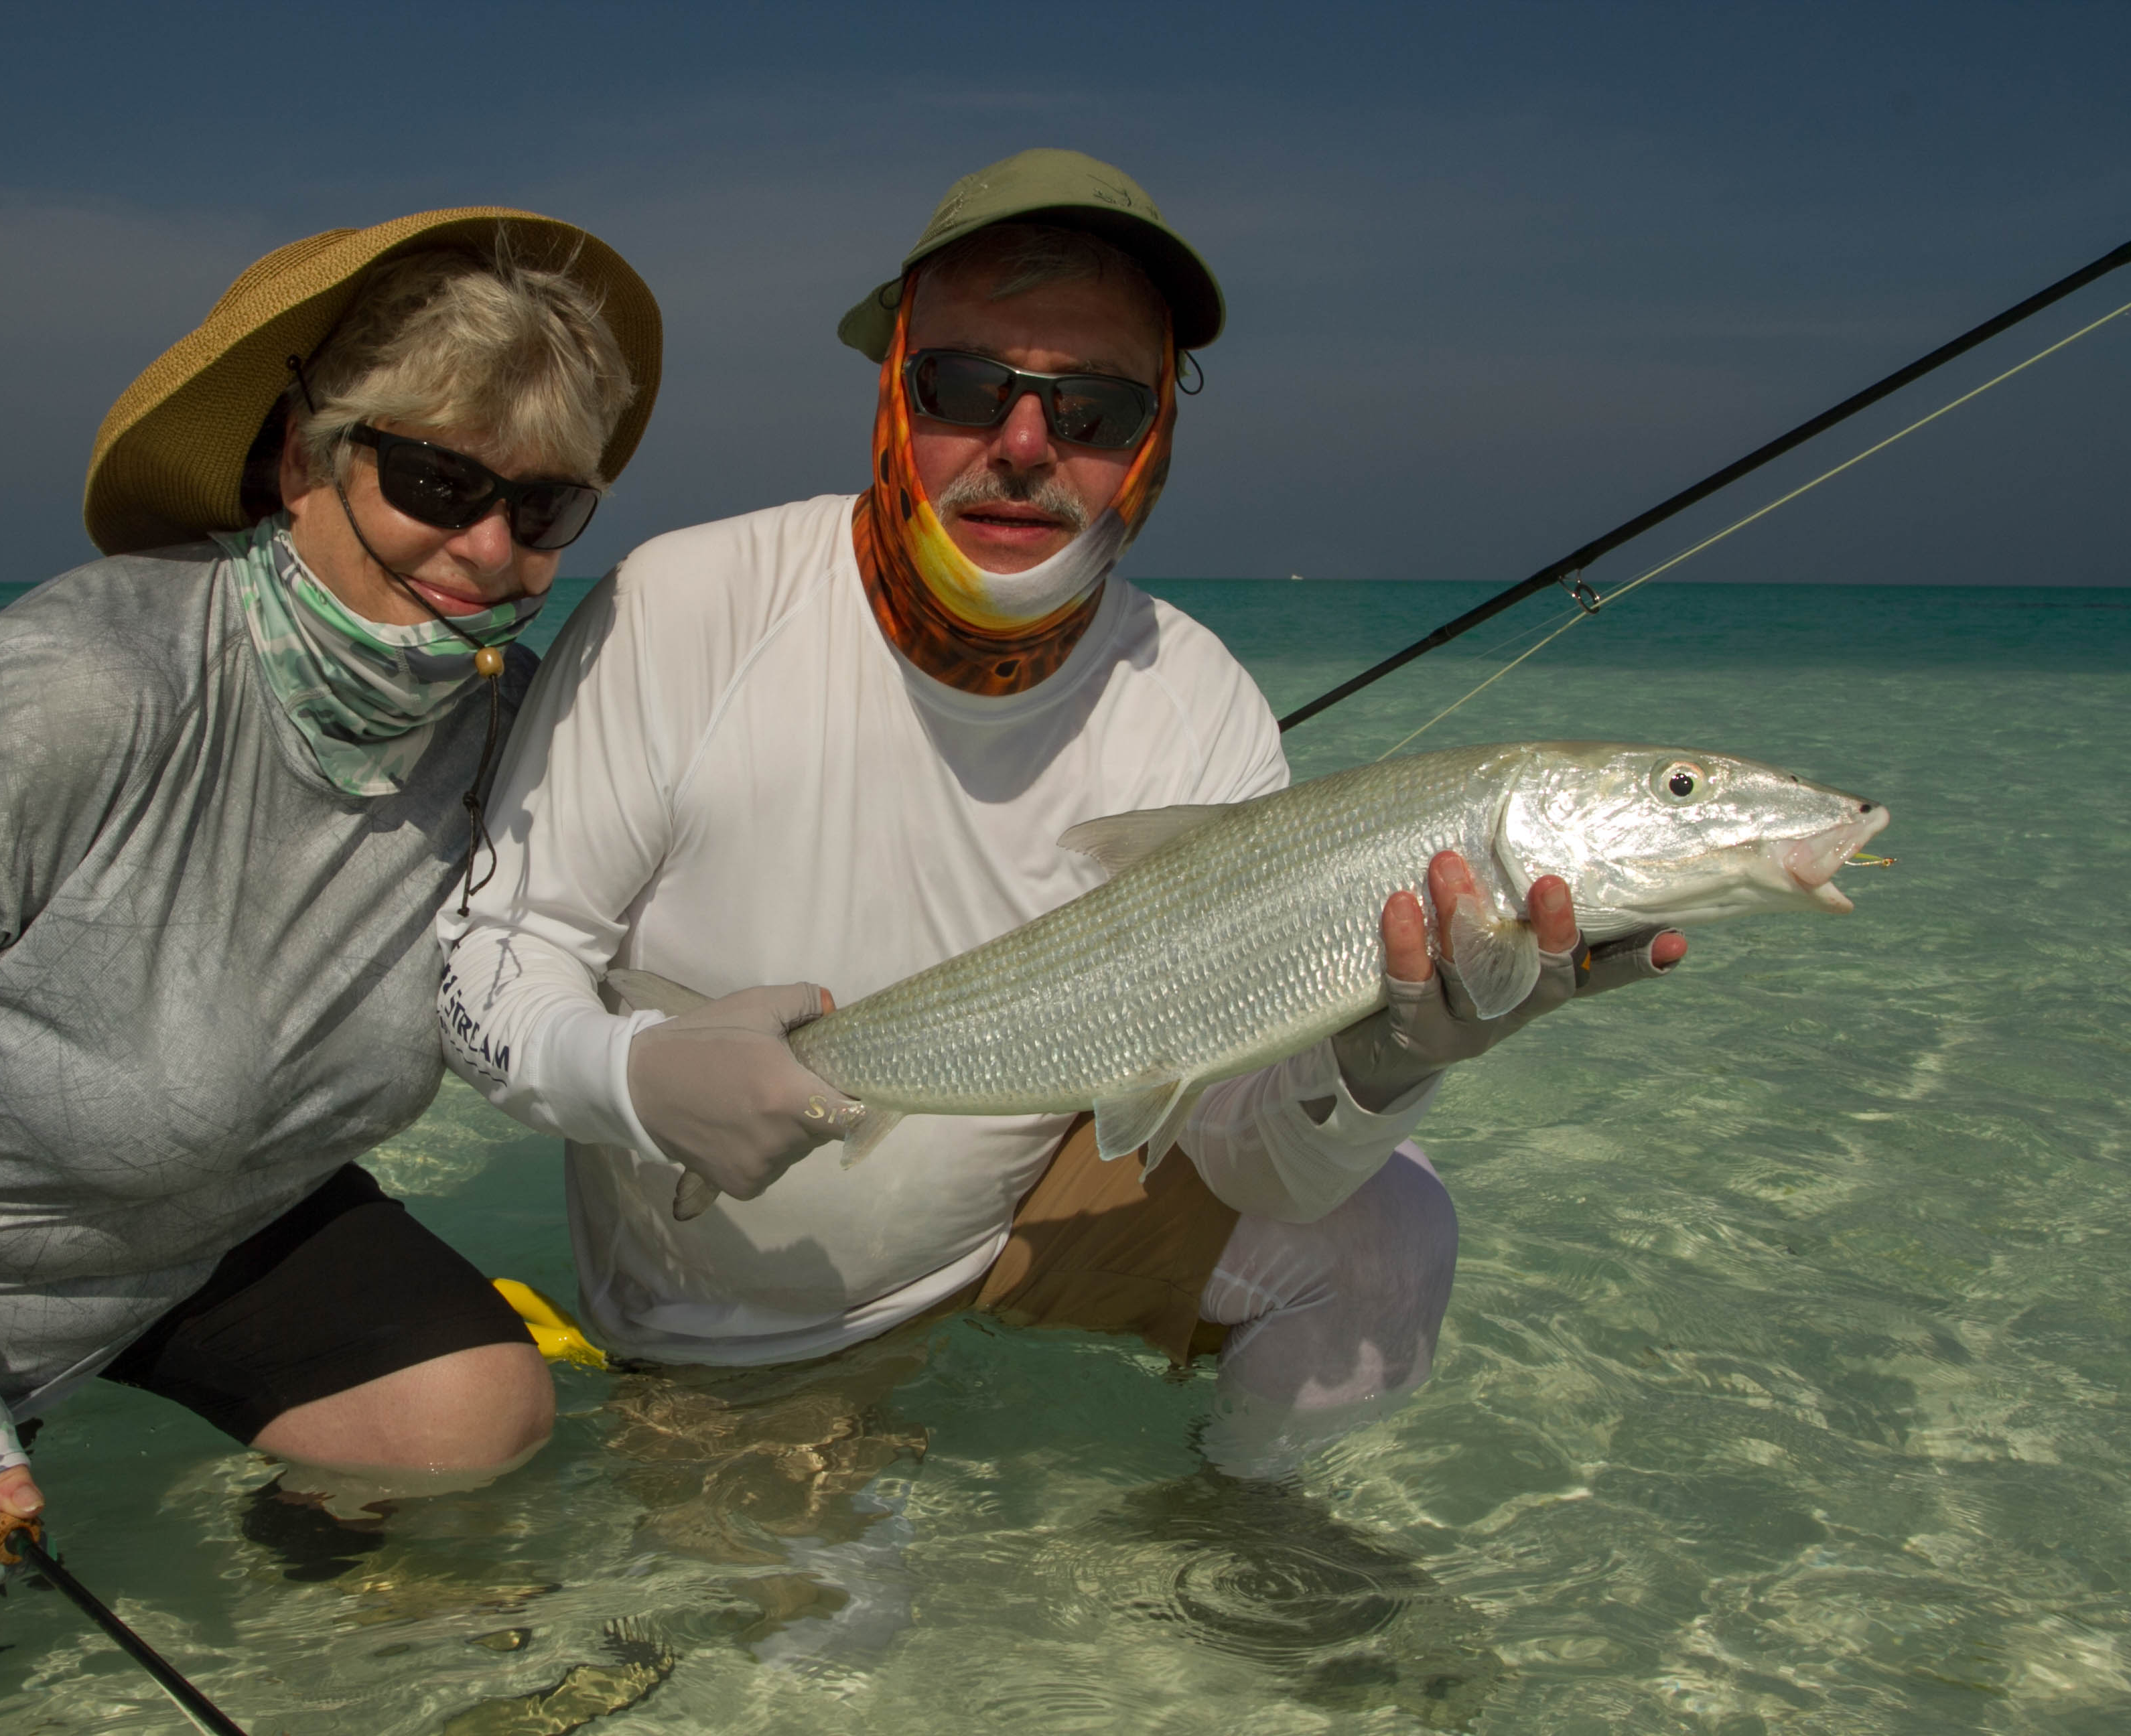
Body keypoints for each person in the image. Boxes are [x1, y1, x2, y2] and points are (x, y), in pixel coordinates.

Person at [439, 151, 1683, 1485]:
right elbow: (485, 966)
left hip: (1018, 1214)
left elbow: (1246, 1150)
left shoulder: (1197, 695)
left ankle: (1232, 1536)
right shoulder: (686, 607)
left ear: (1155, 436)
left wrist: (1384, 1060)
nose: (1024, 447)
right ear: (892, 386)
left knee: (1389, 1236)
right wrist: (634, 1082)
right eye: (968, 390)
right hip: (726, 1322)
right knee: (827, 1678)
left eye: (1089, 410)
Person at [0, 208, 661, 1597]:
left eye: (541, 511)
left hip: (205, 1231)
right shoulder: (84, 688)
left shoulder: (511, 734)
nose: (488, 551)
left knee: (480, 1418)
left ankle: (313, 1610)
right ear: (302, 460)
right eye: (434, 481)